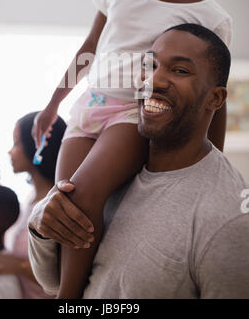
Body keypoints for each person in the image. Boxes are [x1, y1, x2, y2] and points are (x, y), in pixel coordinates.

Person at [31, 0, 233, 298]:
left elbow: (214, 101)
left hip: (132, 115)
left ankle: (69, 300)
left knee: (82, 195)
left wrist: (209, 160)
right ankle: (75, 292)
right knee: (62, 201)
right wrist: (52, 106)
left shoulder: (211, 18)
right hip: (88, 107)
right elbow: (89, 48)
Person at [28, 24, 249, 299]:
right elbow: (54, 282)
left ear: (215, 98)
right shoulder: (107, 171)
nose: (153, 81)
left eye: (180, 70)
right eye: (150, 65)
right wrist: (40, 225)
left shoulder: (229, 217)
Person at [0, 111, 66, 299]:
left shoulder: (59, 205)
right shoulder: (29, 200)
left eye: (17, 143)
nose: (10, 151)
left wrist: (17, 266)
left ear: (38, 145)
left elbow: (66, 279)